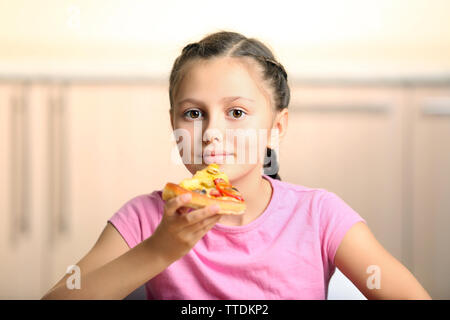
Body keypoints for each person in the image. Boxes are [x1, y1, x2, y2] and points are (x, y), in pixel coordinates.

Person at [41, 30, 431, 300]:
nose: (211, 132)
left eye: (237, 112)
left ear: (276, 128)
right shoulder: (146, 217)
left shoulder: (319, 215)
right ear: (173, 123)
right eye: (193, 113)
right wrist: (159, 250)